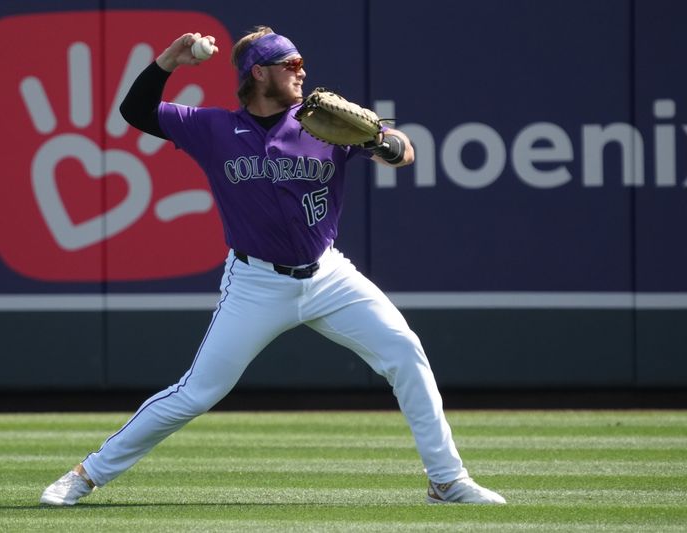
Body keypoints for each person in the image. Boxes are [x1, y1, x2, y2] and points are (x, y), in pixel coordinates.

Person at [40, 26, 506, 506]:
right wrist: (169, 60)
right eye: (290, 63)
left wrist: (384, 144)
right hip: (256, 282)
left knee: (405, 352)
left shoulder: (323, 122)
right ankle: (85, 474)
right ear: (258, 73)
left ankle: (446, 480)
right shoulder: (213, 129)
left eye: (301, 62)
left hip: (328, 275)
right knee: (197, 392)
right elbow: (134, 112)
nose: (302, 70)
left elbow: (402, 148)